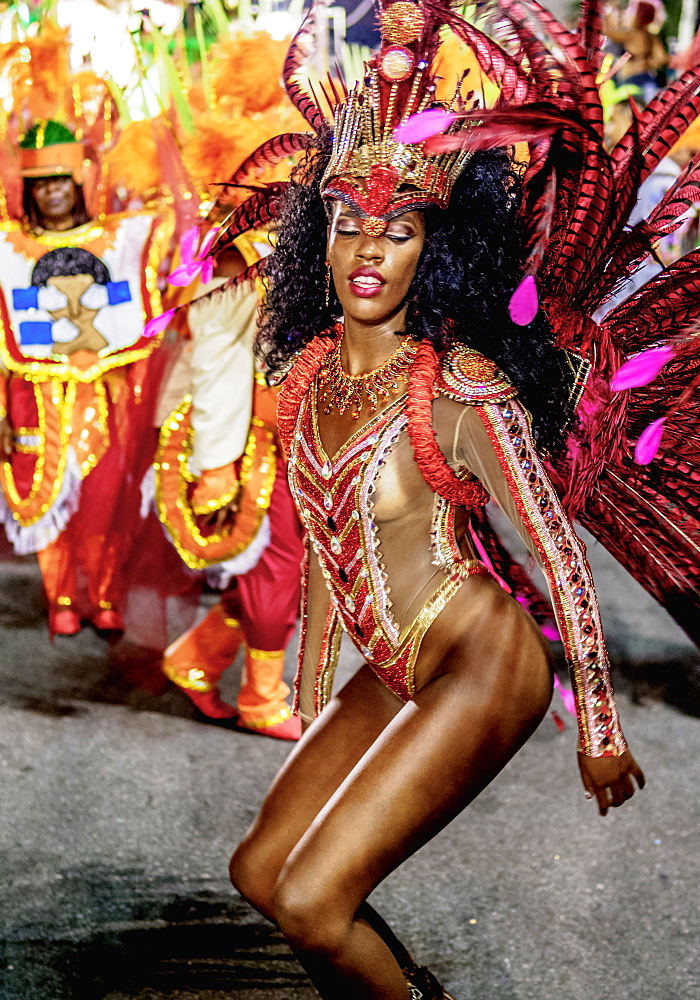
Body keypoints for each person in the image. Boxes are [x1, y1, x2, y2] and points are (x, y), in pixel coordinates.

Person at [221, 1, 654, 996]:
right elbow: (329, 535)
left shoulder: (459, 387)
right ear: (320, 243)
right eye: (351, 226)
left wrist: (598, 727)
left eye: (401, 232)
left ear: (436, 252)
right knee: (261, 873)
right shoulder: (305, 376)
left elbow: (553, 549)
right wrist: (316, 665)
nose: (371, 251)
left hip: (478, 660)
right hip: (392, 660)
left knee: (310, 901)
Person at [0, 121, 175, 634]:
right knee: (50, 503)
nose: (50, 191)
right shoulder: (8, 250)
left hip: (107, 396)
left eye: (59, 180)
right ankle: (60, 599)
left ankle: (103, 597)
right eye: (40, 183)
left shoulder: (119, 238)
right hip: (34, 397)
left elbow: (174, 225)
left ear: (77, 182)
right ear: (29, 191)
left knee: (105, 500)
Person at [156, 235, 303, 740]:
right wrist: (216, 465)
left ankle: (196, 659)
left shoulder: (342, 223)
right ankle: (262, 699)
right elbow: (216, 356)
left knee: (300, 575)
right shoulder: (238, 248)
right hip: (265, 443)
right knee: (278, 573)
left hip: (324, 441)